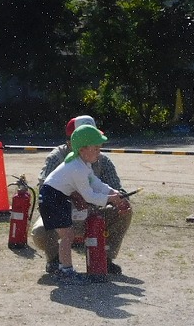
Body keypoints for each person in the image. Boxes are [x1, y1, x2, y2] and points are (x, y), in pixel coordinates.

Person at [32, 115, 134, 276]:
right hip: (63, 210)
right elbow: (44, 186)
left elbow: (109, 186)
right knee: (40, 232)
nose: (98, 150)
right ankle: (56, 261)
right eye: (94, 146)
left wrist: (118, 198)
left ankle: (103, 258)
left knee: (125, 210)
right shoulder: (58, 158)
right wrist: (73, 195)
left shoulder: (99, 160)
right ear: (73, 142)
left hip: (94, 213)